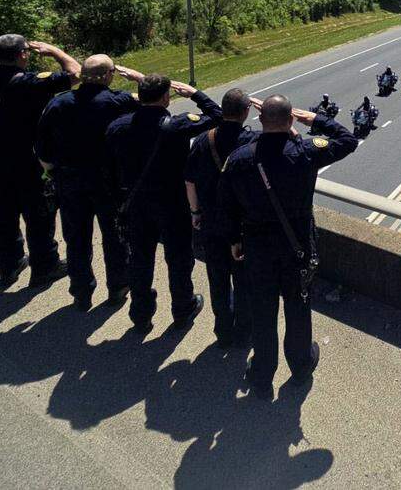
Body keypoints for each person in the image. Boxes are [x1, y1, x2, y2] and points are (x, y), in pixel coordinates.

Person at [218, 95, 358, 399]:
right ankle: (300, 366)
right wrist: (313, 120)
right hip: (297, 248)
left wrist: (234, 240)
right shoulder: (305, 151)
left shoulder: (240, 158)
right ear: (291, 120)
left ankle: (262, 376)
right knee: (297, 308)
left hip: (257, 249)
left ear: (260, 120)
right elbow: (348, 140)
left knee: (263, 312)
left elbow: (226, 205)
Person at [0, 35, 79, 287]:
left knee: (4, 212)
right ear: (23, 55)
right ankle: (44, 266)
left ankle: (9, 264)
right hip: (29, 160)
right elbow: (76, 73)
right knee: (39, 215)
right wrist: (55, 50)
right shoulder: (32, 82)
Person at [105, 74, 220, 332]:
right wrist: (195, 94)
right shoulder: (175, 126)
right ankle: (182, 307)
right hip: (172, 203)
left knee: (140, 259)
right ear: (167, 97)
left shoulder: (118, 127)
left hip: (136, 204)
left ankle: (141, 313)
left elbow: (110, 165)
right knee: (179, 257)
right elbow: (219, 116)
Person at [35, 55, 145, 310]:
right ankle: (118, 286)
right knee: (115, 236)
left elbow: (42, 146)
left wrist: (52, 171)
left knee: (76, 238)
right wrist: (139, 79)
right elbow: (150, 106)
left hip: (70, 180)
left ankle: (81, 291)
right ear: (108, 76)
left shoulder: (58, 104)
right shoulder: (118, 102)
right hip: (108, 182)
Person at [184, 88, 256, 348]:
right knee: (244, 282)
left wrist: (195, 212)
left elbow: (190, 181)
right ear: (246, 111)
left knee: (218, 281)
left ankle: (223, 331)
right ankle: (244, 331)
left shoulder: (205, 139)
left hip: (212, 224)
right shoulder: (252, 141)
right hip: (243, 226)